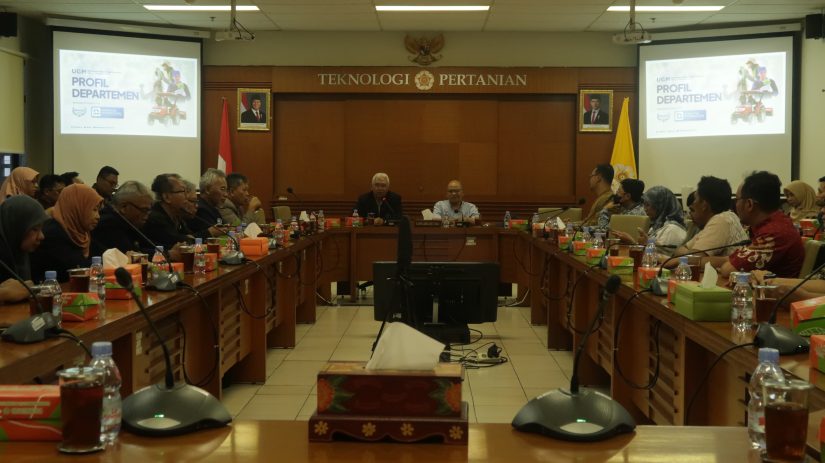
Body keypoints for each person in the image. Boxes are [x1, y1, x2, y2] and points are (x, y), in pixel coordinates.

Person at [708, 171, 804, 278]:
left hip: (776, 289)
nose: (735, 205)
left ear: (749, 204)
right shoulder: (772, 223)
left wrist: (726, 266)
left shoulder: (774, 234)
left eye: (737, 200)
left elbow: (728, 270)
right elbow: (733, 259)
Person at [30, 184, 103, 282]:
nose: (98, 216)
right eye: (94, 209)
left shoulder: (81, 233)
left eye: (98, 210)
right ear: (77, 207)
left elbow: (103, 256)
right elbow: (78, 269)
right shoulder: (53, 233)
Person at [671, 176, 748, 260]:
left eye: (695, 199)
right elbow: (679, 251)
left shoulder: (721, 220)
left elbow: (694, 259)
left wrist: (689, 253)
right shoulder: (727, 216)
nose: (693, 203)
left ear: (704, 205)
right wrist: (689, 253)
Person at [611, 186, 686, 256]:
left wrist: (633, 243)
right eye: (644, 205)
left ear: (659, 205)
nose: (645, 209)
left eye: (648, 205)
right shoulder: (657, 225)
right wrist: (631, 242)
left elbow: (659, 257)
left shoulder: (672, 230)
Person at [0, 196, 49, 303]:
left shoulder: (21, 252)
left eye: (41, 229)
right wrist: (2, 294)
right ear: (15, 227)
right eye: (34, 229)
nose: (42, 236)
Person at [91, 181, 154, 256]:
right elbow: (129, 254)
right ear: (124, 207)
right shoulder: (108, 224)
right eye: (144, 210)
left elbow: (144, 247)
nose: (148, 214)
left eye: (149, 210)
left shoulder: (131, 222)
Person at [143, 174, 196, 251]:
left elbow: (190, 237)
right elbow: (181, 242)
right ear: (167, 197)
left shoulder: (176, 214)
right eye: (182, 191)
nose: (186, 196)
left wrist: (188, 238)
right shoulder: (155, 218)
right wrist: (187, 238)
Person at [189, 169, 228, 236]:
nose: (226, 194)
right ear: (207, 189)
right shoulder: (200, 209)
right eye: (222, 189)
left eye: (226, 190)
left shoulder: (213, 208)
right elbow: (215, 236)